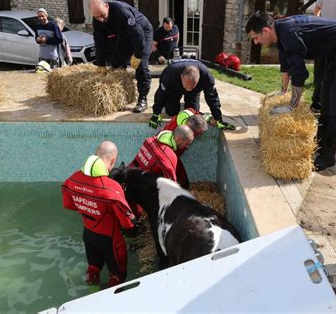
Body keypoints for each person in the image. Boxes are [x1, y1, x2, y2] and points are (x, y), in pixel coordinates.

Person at [246, 12, 336, 171]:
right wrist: (283, 92)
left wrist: (292, 105)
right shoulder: (280, 31)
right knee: (325, 99)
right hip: (335, 51)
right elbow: (286, 66)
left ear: (266, 31)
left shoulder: (289, 33)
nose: (255, 43)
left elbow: (300, 73)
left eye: (255, 37)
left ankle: (328, 155)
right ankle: (319, 146)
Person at [62, 141, 138, 287]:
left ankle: (91, 296)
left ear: (96, 154)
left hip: (89, 235)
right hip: (111, 240)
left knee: (93, 269)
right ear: (113, 160)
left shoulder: (72, 178)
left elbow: (68, 204)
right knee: (117, 278)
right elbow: (128, 223)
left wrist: (89, 208)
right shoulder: (111, 187)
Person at [90, 0, 153, 113]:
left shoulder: (120, 11)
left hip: (143, 31)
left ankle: (142, 99)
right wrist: (101, 64)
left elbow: (138, 34)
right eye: (97, 17)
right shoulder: (97, 20)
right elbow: (99, 42)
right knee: (116, 62)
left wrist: (138, 55)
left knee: (141, 66)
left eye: (102, 15)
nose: (101, 19)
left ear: (107, 6)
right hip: (125, 36)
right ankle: (119, 95)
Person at [149, 59, 236, 131]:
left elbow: (212, 97)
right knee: (171, 112)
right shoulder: (170, 73)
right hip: (174, 89)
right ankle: (173, 104)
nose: (188, 89)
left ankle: (197, 107)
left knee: (192, 115)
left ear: (199, 79)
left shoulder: (207, 77)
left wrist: (218, 118)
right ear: (181, 77)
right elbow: (161, 93)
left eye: (192, 86)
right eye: (187, 86)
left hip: (195, 92)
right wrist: (156, 113)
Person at [130, 125, 194, 182]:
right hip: (140, 185)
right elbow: (171, 183)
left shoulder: (150, 139)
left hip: (129, 173)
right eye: (187, 144)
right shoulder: (169, 156)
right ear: (179, 140)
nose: (187, 147)